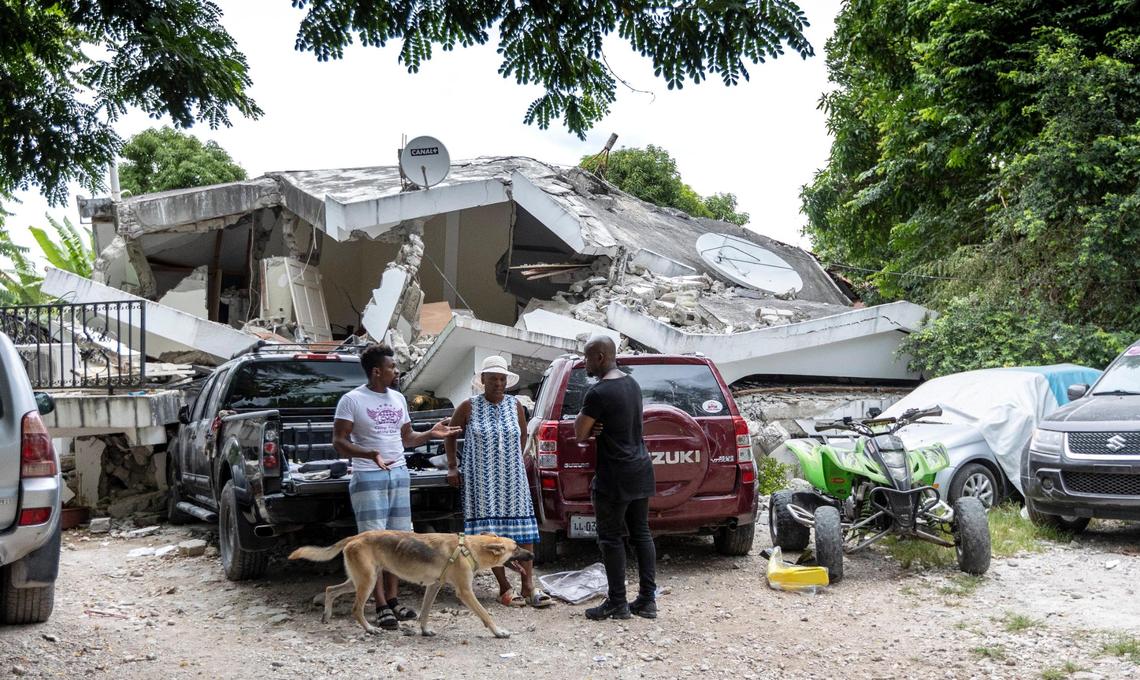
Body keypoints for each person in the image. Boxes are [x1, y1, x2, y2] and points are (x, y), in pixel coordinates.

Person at [333, 343, 461, 630]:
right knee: (374, 543)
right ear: (377, 371)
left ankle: (393, 599)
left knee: (400, 541)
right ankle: (378, 604)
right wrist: (368, 454)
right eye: (392, 367)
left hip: (399, 475)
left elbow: (407, 439)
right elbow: (339, 442)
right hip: (368, 476)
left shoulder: (398, 399)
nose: (397, 371)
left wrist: (431, 433)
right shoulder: (352, 400)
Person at [444, 355, 553, 608]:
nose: (497, 383)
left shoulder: (515, 405)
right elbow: (449, 434)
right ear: (483, 380)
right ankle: (504, 587)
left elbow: (523, 435)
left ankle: (528, 586)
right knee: (491, 536)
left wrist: (517, 460)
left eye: (502, 379)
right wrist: (452, 466)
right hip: (481, 480)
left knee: (524, 531)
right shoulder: (468, 406)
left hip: (512, 477)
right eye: (492, 378)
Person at [574, 335, 657, 620]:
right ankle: (647, 600)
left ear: (600, 357)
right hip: (640, 467)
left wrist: (594, 423)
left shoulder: (598, 392)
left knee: (610, 538)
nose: (584, 363)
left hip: (614, 473)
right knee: (641, 533)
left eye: (587, 357)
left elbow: (580, 433)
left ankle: (617, 603)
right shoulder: (632, 384)